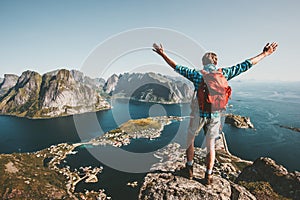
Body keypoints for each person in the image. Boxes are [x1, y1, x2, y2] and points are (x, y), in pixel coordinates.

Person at [152, 42, 278, 185]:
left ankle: (189, 170)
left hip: (198, 114)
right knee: (211, 145)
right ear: (216, 62)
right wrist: (265, 54)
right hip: (216, 115)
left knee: (190, 140)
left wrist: (162, 54)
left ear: (203, 62)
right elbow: (246, 64)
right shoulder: (224, 74)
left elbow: (176, 66)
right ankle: (208, 176)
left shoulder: (197, 75)